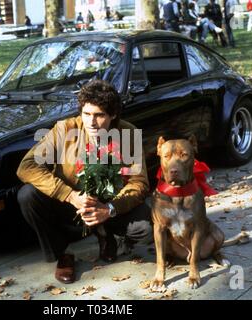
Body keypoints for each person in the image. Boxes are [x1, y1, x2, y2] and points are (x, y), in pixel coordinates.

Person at [16, 80, 152, 284]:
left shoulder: (129, 134)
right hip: (71, 204)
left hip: (109, 205)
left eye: (99, 115)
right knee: (27, 195)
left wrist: (110, 209)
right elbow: (26, 166)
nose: (91, 122)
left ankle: (106, 235)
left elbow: (139, 183)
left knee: (144, 227)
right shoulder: (65, 129)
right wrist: (69, 195)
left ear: (113, 114)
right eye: (86, 114)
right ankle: (64, 253)